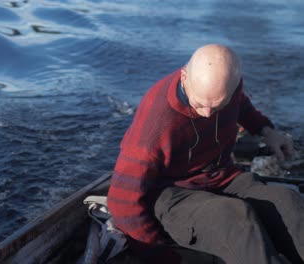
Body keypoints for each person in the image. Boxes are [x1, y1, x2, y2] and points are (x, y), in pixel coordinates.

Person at [107, 44, 302, 264]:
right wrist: (161, 257)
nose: (208, 114)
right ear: (184, 78)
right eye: (200, 104)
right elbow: (121, 200)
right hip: (170, 192)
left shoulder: (226, 87)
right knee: (234, 219)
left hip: (220, 175)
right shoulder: (156, 125)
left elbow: (242, 106)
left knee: (288, 202)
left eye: (218, 105)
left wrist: (267, 131)